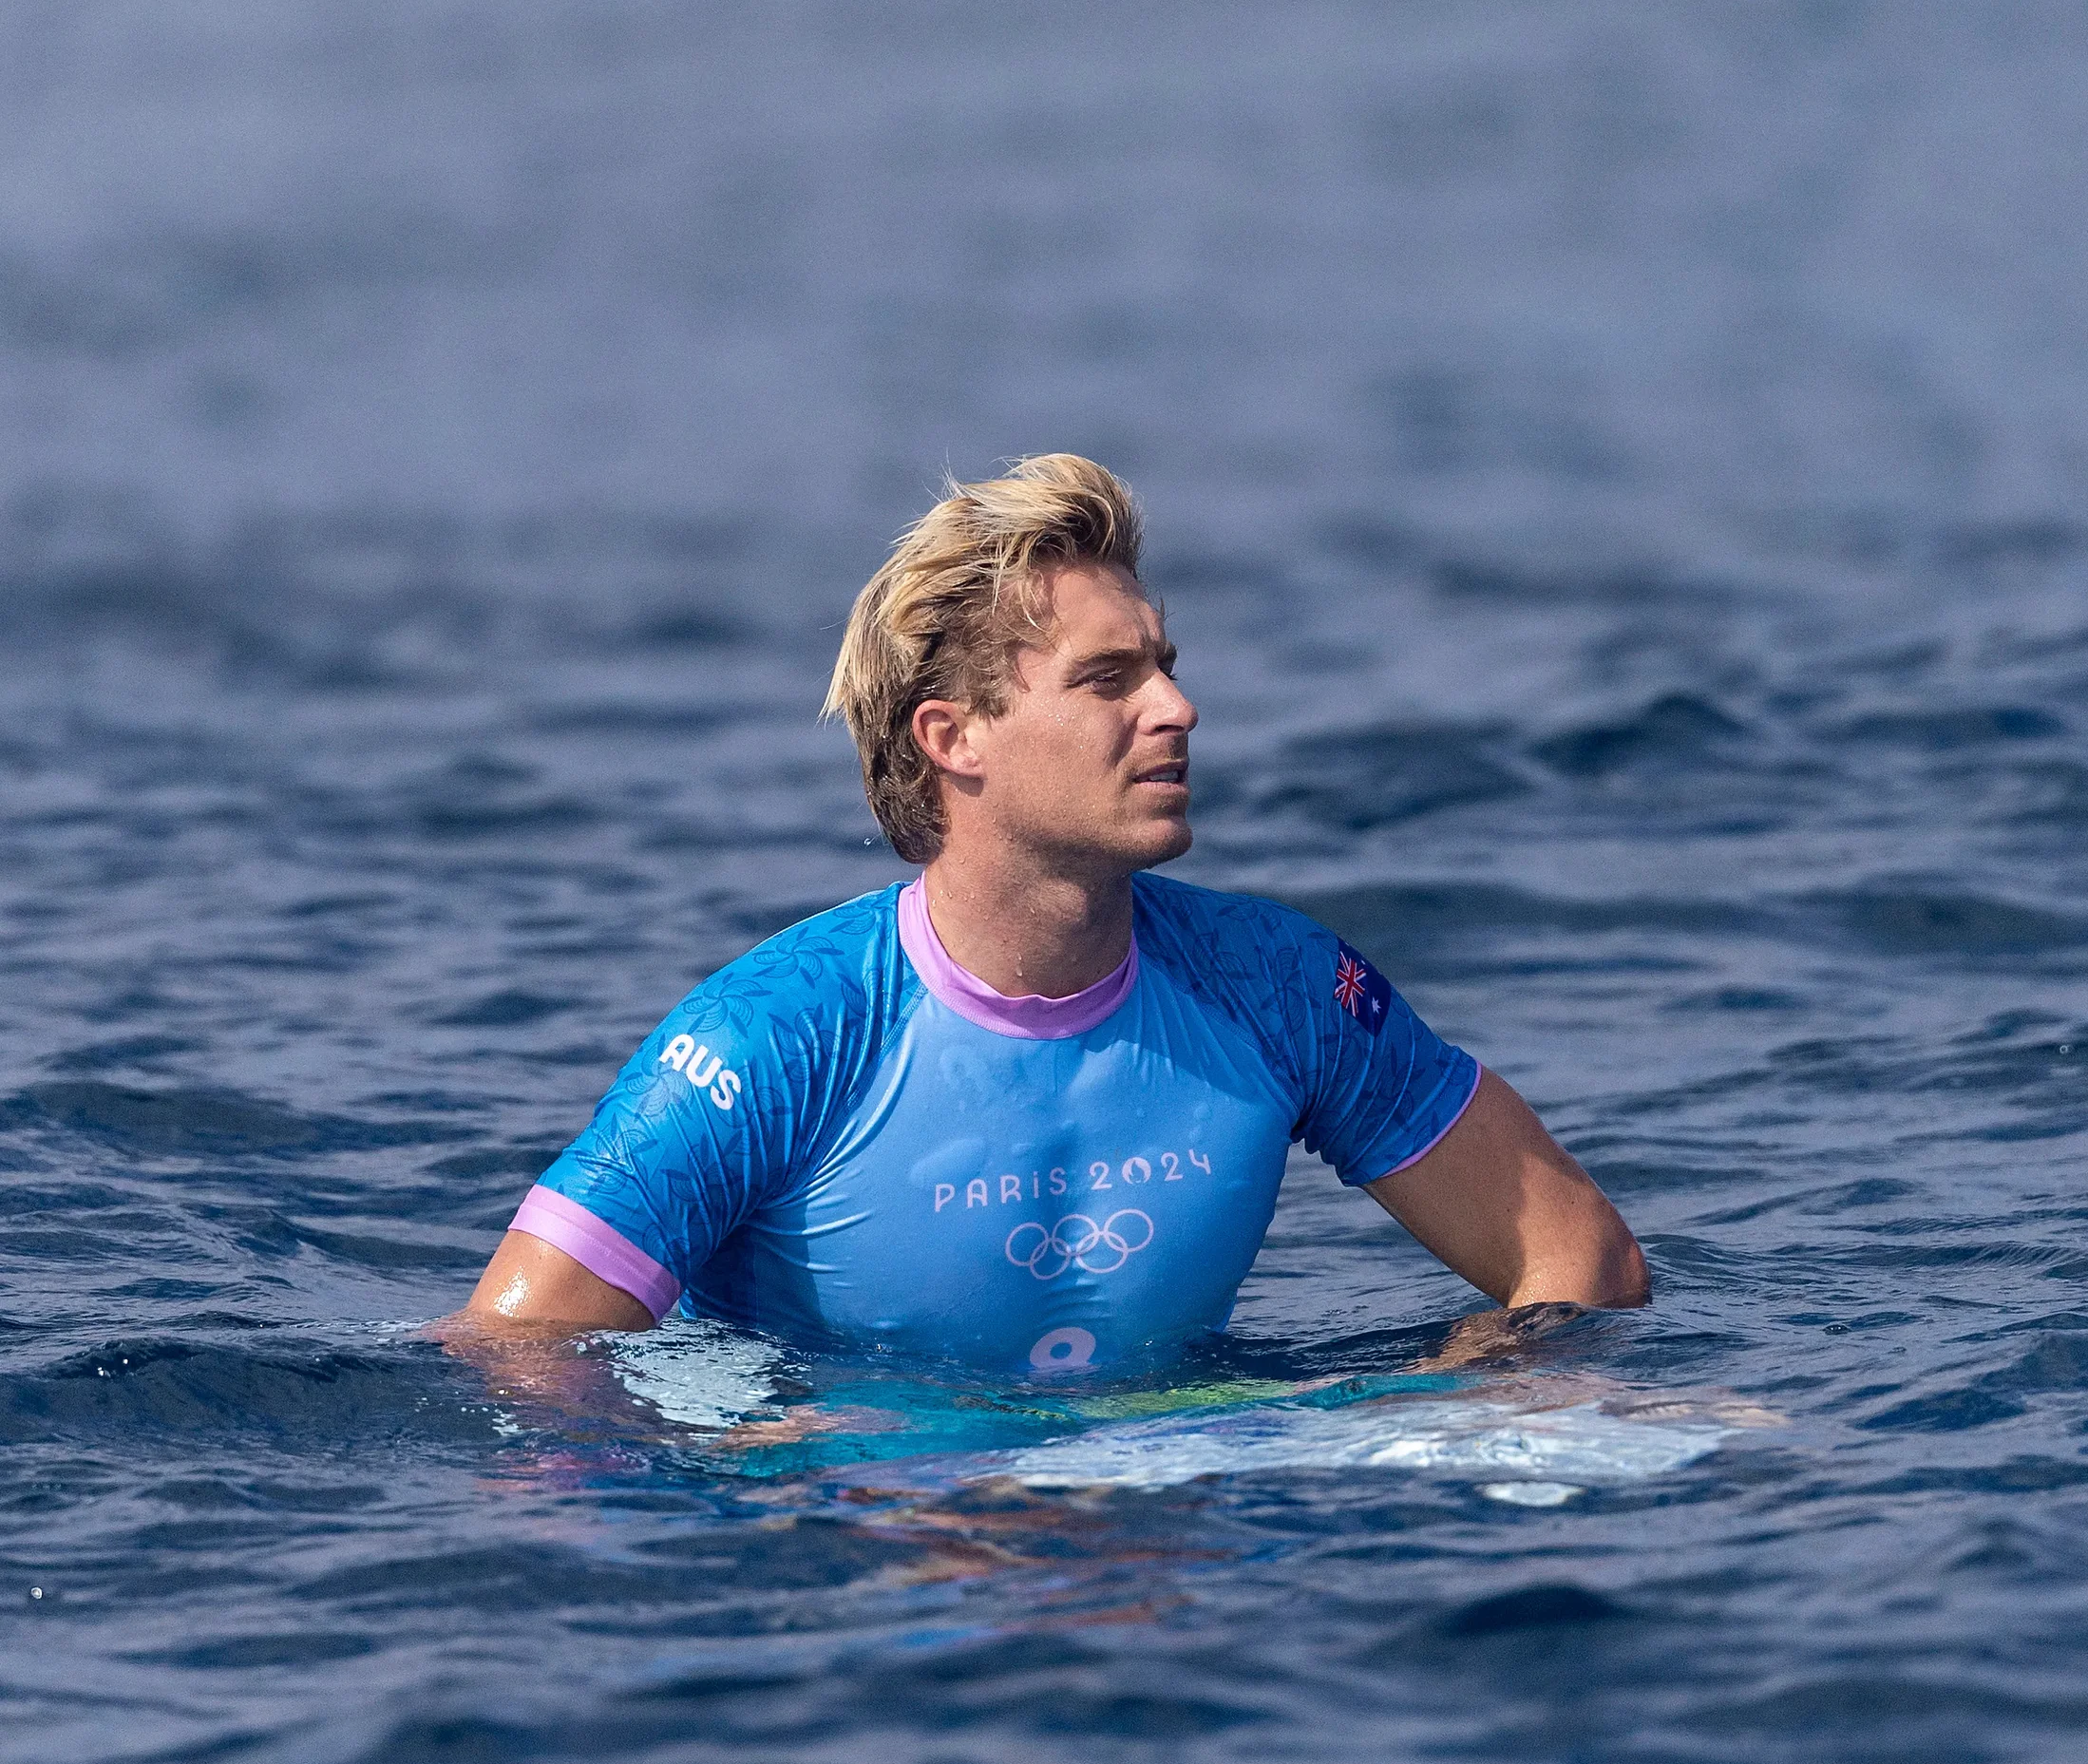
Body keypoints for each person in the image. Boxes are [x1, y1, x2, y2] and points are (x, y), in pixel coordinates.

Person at [443, 454, 1647, 1375]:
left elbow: (1584, 1256)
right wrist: (748, 1460)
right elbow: (511, 1361)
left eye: (1165, 665)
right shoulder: (781, 1036)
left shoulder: (1278, 986)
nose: (1177, 708)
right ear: (953, 737)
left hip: (1178, 1569)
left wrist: (1501, 1383)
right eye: (1109, 679)